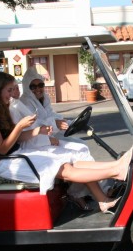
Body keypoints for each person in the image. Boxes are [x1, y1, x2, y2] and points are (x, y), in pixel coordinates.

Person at [0, 71, 133, 213]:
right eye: (9, 90)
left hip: (18, 154)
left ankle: (111, 177)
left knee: (70, 159)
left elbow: (16, 138)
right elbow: (2, 149)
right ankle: (116, 172)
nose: (12, 94)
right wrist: (19, 126)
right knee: (64, 168)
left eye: (13, 89)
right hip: (6, 163)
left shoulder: (2, 110)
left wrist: (36, 131)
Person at [10, 68, 99, 209]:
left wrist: (68, 123)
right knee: (78, 150)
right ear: (27, 87)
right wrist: (53, 127)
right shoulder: (24, 104)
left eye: (40, 85)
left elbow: (52, 116)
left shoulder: (43, 99)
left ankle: (88, 190)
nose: (38, 89)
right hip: (36, 143)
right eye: (33, 86)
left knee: (82, 146)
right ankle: (79, 193)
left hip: (44, 140)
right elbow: (35, 126)